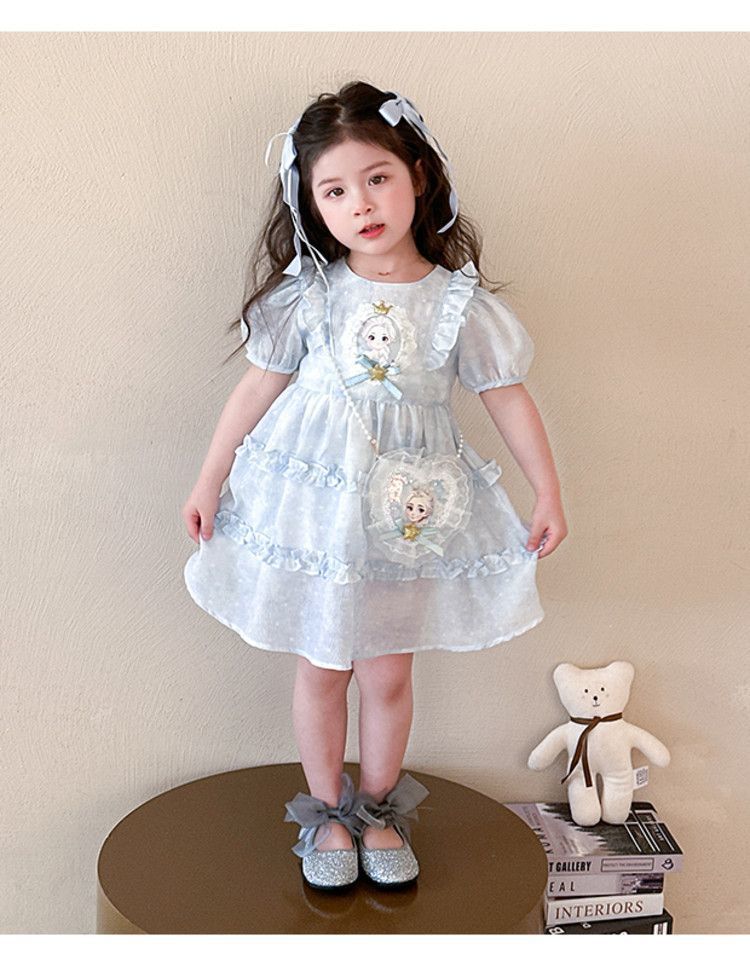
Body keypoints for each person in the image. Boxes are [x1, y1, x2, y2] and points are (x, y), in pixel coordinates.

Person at [182, 81, 568, 891]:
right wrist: (210, 478)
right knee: (324, 666)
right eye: (334, 190)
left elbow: (507, 398)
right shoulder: (310, 295)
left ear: (418, 175)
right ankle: (327, 814)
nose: (360, 203)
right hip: (317, 514)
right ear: (312, 204)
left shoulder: (457, 303)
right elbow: (257, 389)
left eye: (377, 178)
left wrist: (547, 491)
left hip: (404, 516)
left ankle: (379, 810)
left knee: (388, 673)